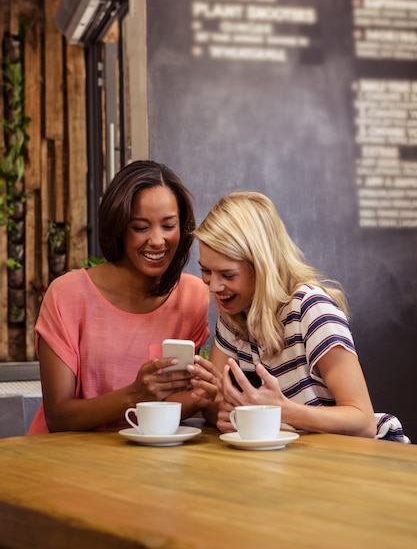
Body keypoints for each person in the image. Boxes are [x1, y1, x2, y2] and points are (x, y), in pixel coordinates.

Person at [29, 160, 212, 435]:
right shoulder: (67, 294)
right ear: (118, 227)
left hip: (147, 458)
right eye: (140, 227)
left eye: (168, 225)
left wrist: (200, 398)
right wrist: (133, 395)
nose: (157, 240)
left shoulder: (192, 296)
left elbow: (168, 402)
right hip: (66, 459)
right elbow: (58, 415)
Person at [187, 191, 377, 438]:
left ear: (261, 267)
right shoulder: (232, 317)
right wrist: (222, 413)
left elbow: (363, 422)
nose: (214, 286)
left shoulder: (311, 308)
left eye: (228, 275)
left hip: (351, 460)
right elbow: (220, 404)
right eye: (206, 271)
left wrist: (281, 410)